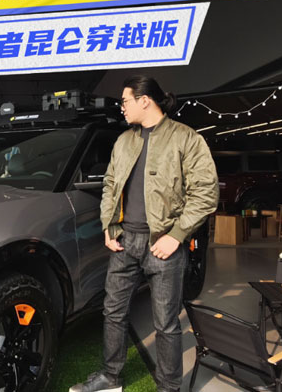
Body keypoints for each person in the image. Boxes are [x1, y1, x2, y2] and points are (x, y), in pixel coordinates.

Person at [70, 76, 219, 392]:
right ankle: (111, 377)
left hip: (163, 244)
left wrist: (176, 235)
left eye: (125, 101)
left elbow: (206, 193)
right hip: (125, 242)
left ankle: (168, 386)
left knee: (165, 322)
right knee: (112, 313)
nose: (122, 108)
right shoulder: (124, 140)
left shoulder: (186, 138)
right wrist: (109, 226)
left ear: (145, 100)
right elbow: (110, 185)